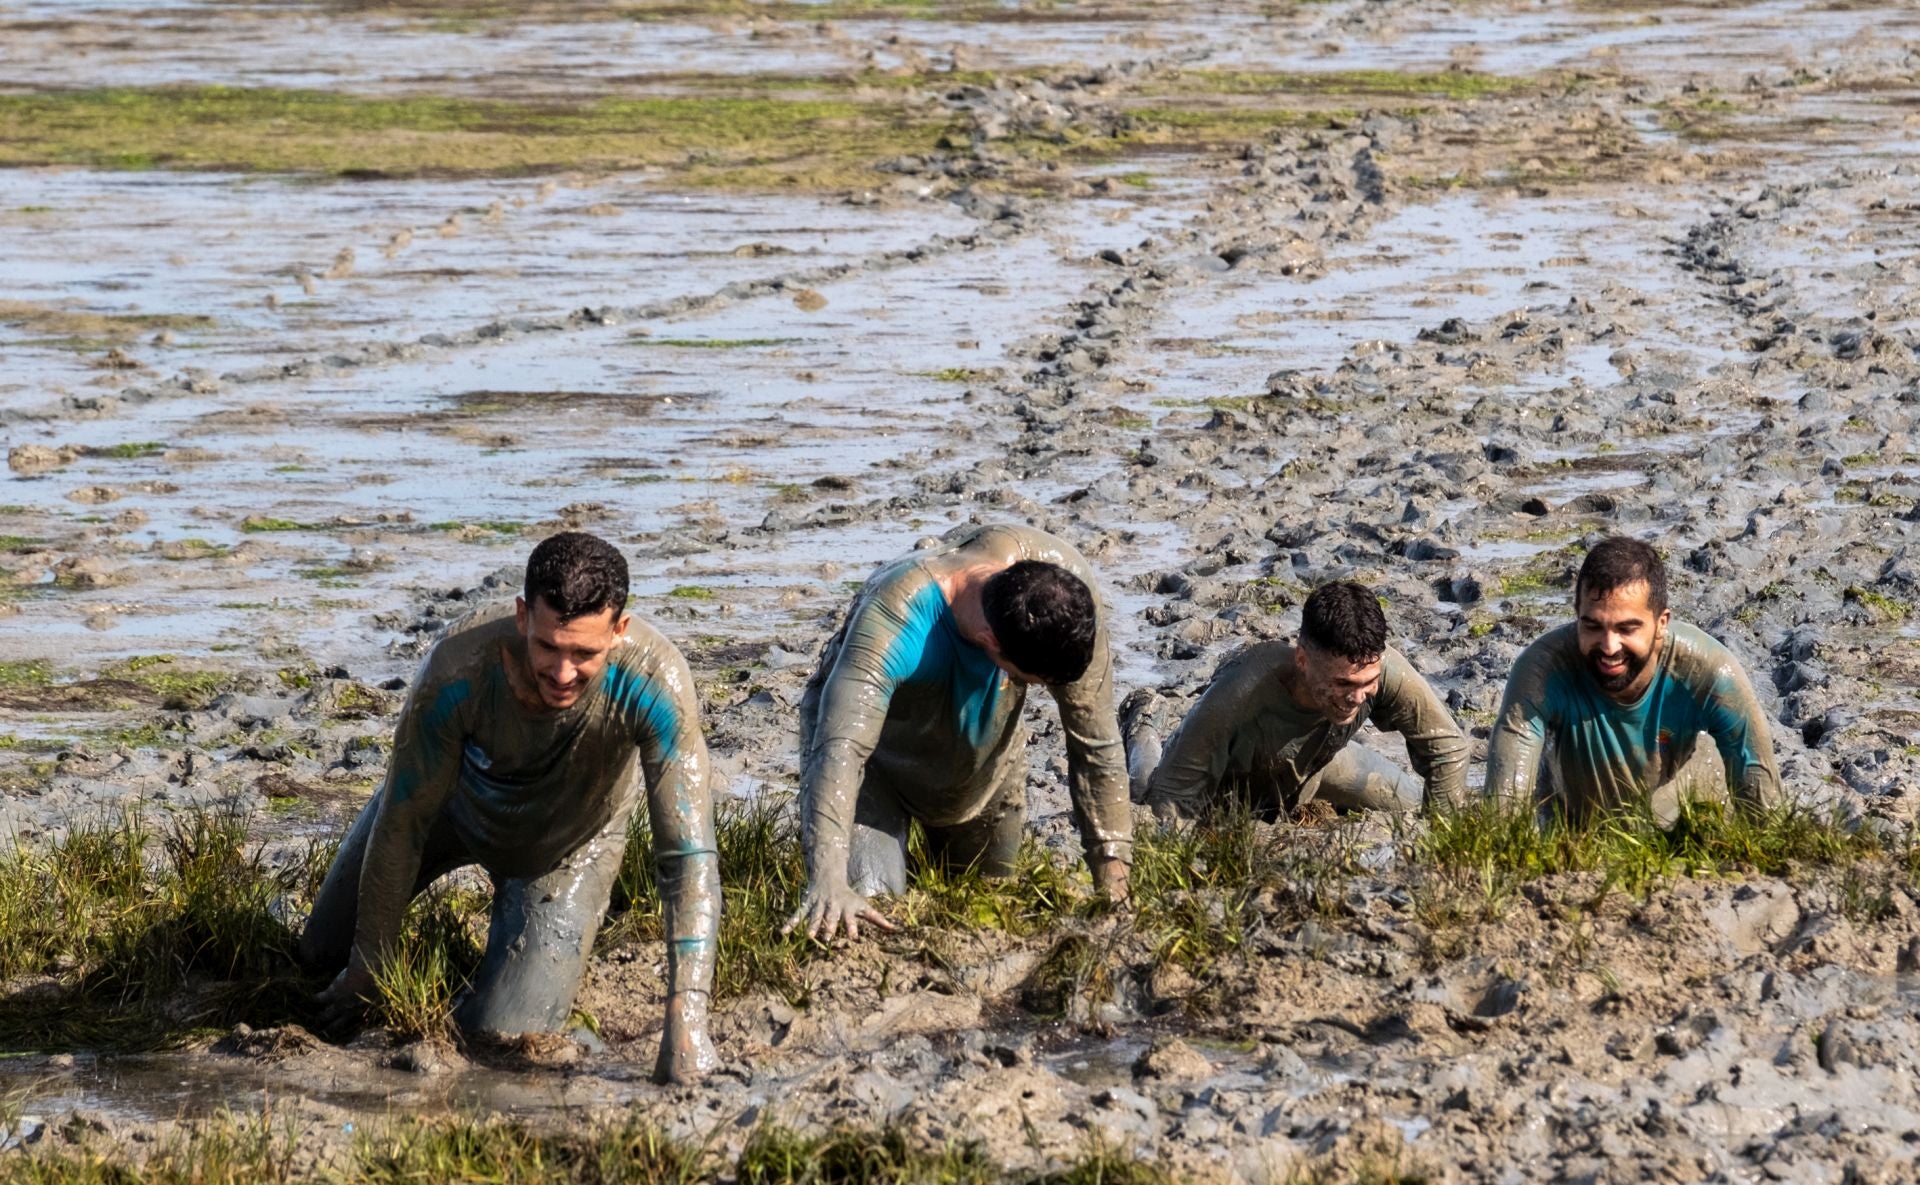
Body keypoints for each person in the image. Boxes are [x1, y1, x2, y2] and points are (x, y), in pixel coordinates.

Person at [299, 532, 720, 1083]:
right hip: (453, 809)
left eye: (585, 653)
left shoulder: (656, 683)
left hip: (566, 847)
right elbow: (403, 821)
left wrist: (687, 1017)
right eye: (548, 646)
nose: (563, 673)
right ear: (523, 616)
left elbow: (687, 856)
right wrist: (370, 959)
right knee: (317, 959)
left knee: (500, 1036)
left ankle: (525, 968)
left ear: (619, 631)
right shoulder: (457, 667)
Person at [785, 523, 1132, 941]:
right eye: (1032, 681)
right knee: (869, 919)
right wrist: (827, 881)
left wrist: (1114, 884)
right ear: (989, 640)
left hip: (983, 766)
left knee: (991, 907)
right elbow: (840, 749)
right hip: (875, 771)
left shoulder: (1061, 587)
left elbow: (1096, 744)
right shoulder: (896, 620)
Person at [1483, 535, 1781, 820]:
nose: (1609, 647)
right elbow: (1503, 809)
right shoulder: (1542, 669)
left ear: (1661, 623)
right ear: (1577, 615)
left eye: (1627, 629)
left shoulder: (1711, 674)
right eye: (1593, 626)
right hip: (1572, 827)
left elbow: (1764, 808)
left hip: (1686, 824)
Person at [1126, 580, 1468, 821]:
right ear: (1302, 660)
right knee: (1145, 789)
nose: (1356, 698)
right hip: (1225, 787)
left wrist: (1441, 842)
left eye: (1369, 682)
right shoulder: (1241, 691)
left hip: (1318, 765)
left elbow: (1448, 749)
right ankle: (1141, 720)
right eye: (1343, 683)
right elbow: (1171, 800)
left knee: (1408, 801)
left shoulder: (1384, 670)